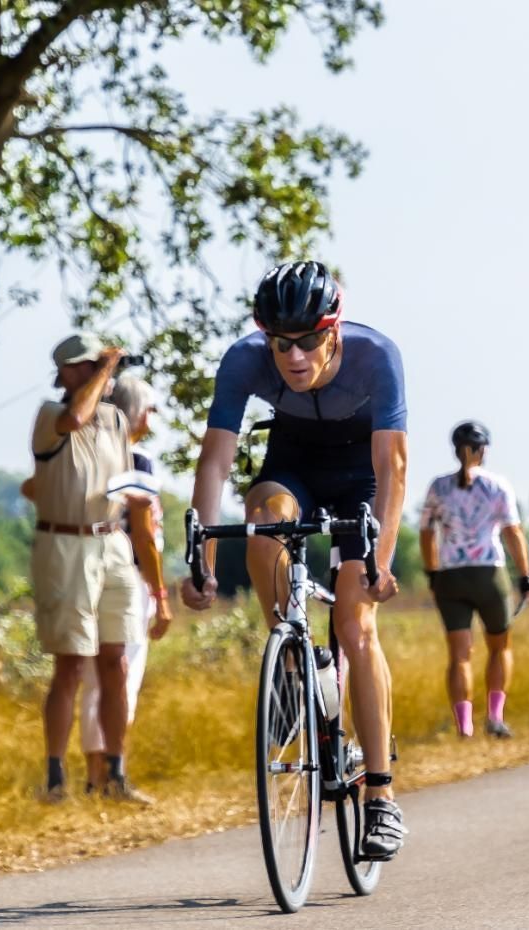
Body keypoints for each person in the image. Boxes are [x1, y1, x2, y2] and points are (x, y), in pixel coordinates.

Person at [179, 260, 407, 859]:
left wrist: (380, 561)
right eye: (281, 343)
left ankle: (381, 796)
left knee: (357, 628)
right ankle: (292, 658)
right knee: (263, 516)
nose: (294, 356)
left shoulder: (377, 357)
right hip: (294, 466)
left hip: (361, 478)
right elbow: (215, 463)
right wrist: (201, 554)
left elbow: (392, 471)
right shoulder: (243, 359)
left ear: (333, 332)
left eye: (308, 341)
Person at [29, 333, 146, 802]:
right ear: (67, 371)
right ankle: (55, 778)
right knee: (71, 664)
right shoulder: (48, 416)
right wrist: (106, 369)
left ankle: (113, 775)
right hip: (65, 544)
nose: (103, 371)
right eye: (91, 365)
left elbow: (114, 480)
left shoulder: (115, 419)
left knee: (116, 661)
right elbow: (74, 417)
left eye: (102, 364)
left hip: (111, 542)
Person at [78, 375, 171, 793]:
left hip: (85, 574)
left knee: (95, 680)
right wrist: (161, 594)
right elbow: (145, 535)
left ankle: (95, 776)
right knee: (123, 677)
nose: (151, 418)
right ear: (135, 412)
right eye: (149, 409)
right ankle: (112, 774)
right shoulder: (139, 462)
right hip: (127, 581)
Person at [419, 421, 529, 739]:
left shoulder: (438, 486)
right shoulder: (497, 486)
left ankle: (464, 726)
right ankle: (495, 718)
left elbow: (427, 533)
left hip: (450, 576)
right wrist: (526, 575)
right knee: (500, 647)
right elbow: (513, 532)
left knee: (459, 655)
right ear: (483, 451)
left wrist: (432, 572)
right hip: (488, 573)